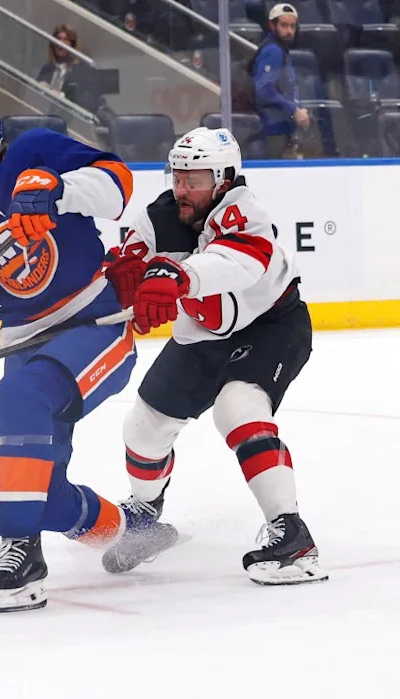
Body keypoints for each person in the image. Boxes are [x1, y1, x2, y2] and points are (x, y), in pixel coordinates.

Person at [0, 99, 175, 613]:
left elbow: (118, 186)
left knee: (17, 398)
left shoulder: (33, 153)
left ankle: (20, 551)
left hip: (93, 325)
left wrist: (57, 190)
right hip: (26, 345)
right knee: (45, 491)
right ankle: (129, 535)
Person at [101, 126, 327, 586]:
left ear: (223, 179)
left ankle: (292, 535)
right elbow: (130, 265)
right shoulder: (157, 218)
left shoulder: (246, 214)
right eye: (177, 177)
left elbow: (233, 264)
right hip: (204, 334)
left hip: (271, 327)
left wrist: (175, 276)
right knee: (144, 426)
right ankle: (146, 516)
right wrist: (120, 284)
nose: (182, 189)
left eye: (195, 179)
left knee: (238, 408)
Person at [251, 3, 310, 158]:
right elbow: (264, 90)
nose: (289, 31)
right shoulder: (273, 51)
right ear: (272, 25)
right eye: (284, 25)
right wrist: (294, 110)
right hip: (273, 129)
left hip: (281, 127)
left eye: (292, 26)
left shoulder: (281, 50)